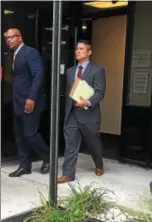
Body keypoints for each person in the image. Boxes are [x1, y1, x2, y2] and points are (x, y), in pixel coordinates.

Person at [57, 40, 106, 184]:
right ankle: (68, 174)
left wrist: (88, 102)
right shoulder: (70, 71)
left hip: (89, 114)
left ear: (89, 52)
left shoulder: (98, 70)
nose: (77, 51)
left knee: (93, 143)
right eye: (76, 49)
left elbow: (100, 92)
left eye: (81, 49)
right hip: (72, 114)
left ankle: (99, 164)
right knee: (70, 144)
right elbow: (68, 93)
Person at [5, 28, 50, 177]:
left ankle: (47, 157)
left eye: (12, 37)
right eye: (7, 38)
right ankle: (24, 166)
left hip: (30, 102)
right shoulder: (13, 55)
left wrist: (31, 98)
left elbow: (38, 75)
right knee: (19, 135)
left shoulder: (29, 52)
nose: (9, 40)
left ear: (20, 37)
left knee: (30, 133)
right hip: (17, 101)